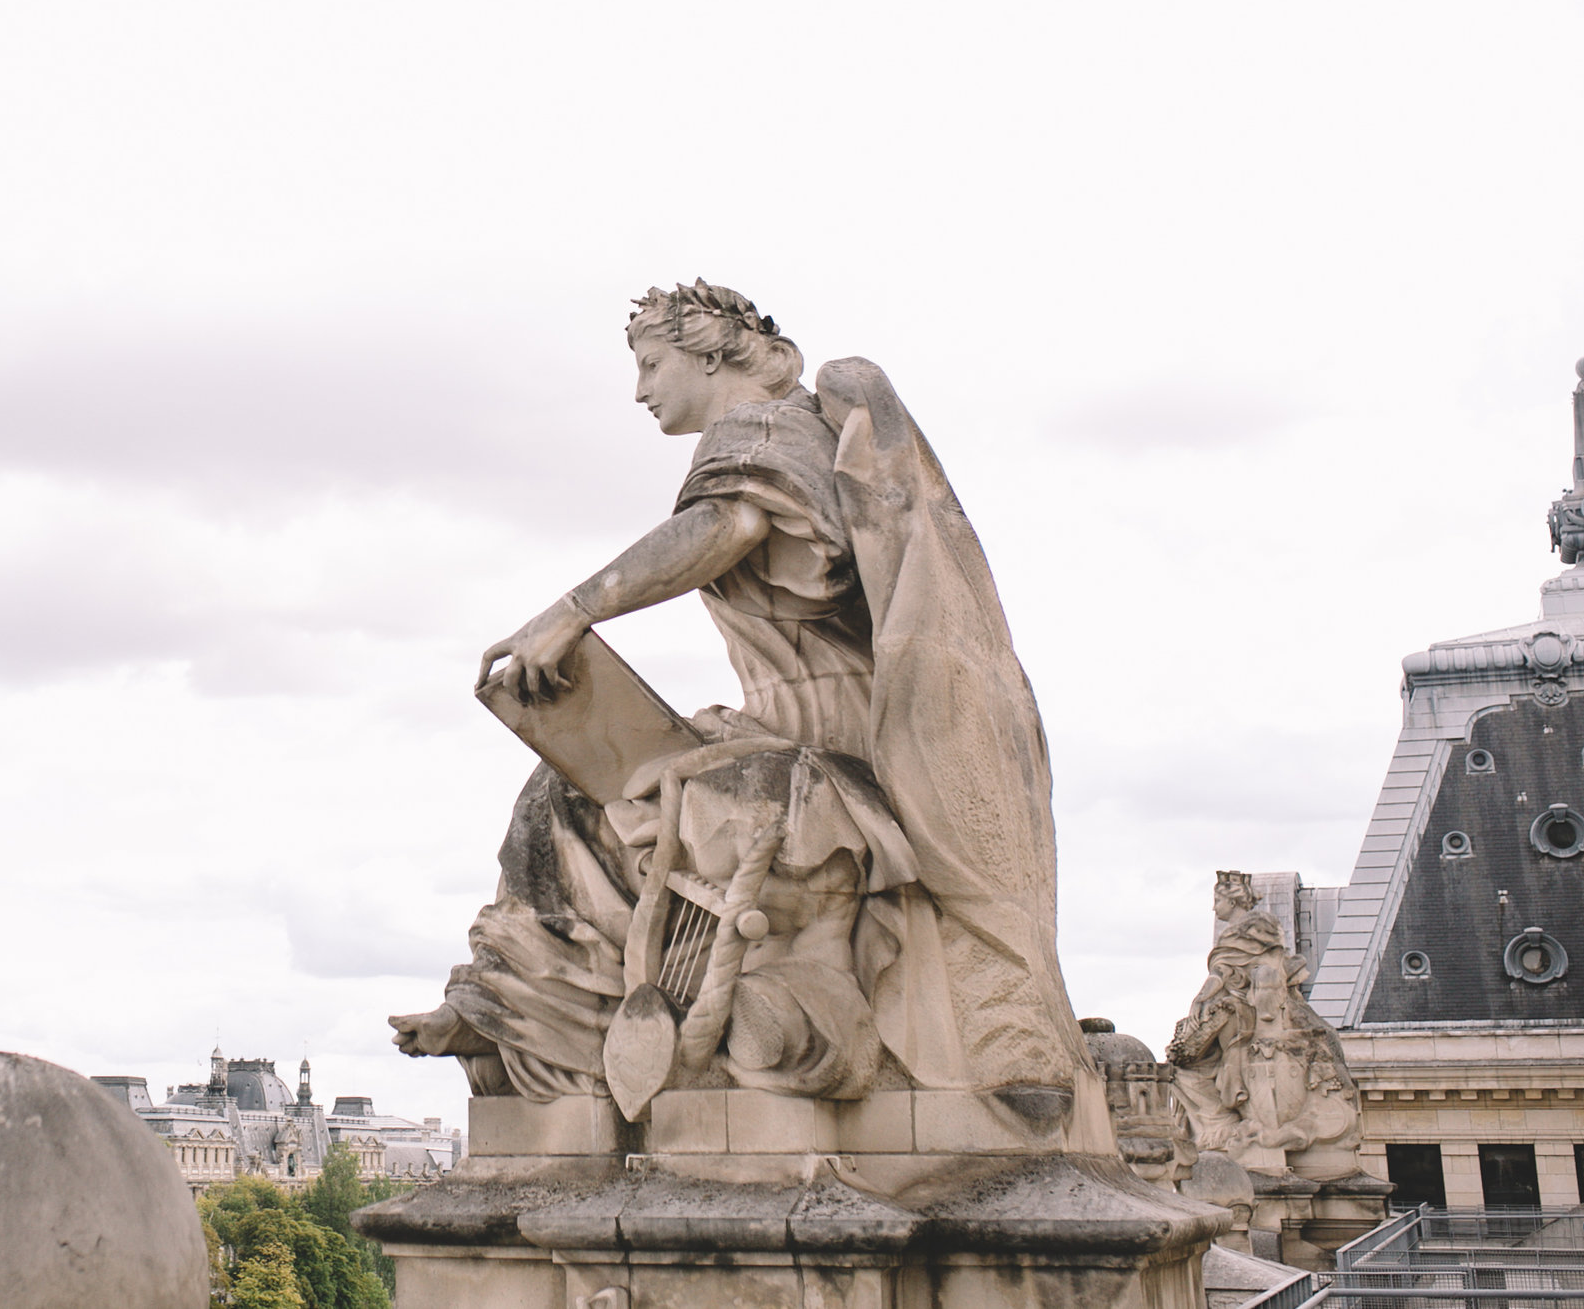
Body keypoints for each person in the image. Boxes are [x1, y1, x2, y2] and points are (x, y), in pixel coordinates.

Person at [390, 281, 1085, 1102]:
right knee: (560, 791)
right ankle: (506, 1004)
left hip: (841, 749)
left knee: (612, 803)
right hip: (776, 730)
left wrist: (574, 609)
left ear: (710, 354)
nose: (641, 389)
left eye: (653, 364)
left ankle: (552, 1023)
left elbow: (727, 528)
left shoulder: (765, 430)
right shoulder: (782, 435)